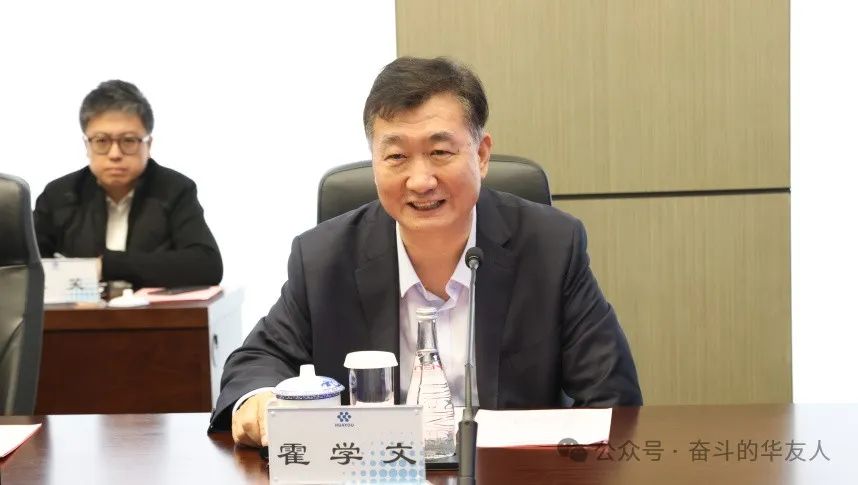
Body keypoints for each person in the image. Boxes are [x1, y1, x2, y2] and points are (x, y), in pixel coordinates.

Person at [211, 57, 642, 446]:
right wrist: (260, 401)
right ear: (374, 162)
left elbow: (613, 396)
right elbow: (257, 361)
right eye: (396, 156)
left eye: (439, 152)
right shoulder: (324, 257)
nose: (420, 181)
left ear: (482, 155)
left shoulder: (550, 246)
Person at [33, 80, 222, 288]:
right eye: (102, 141)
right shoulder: (59, 195)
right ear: (87, 145)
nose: (115, 154)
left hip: (151, 310)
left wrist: (106, 266)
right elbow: (24, 267)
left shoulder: (174, 190)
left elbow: (207, 265)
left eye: (129, 140)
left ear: (148, 145)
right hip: (77, 309)